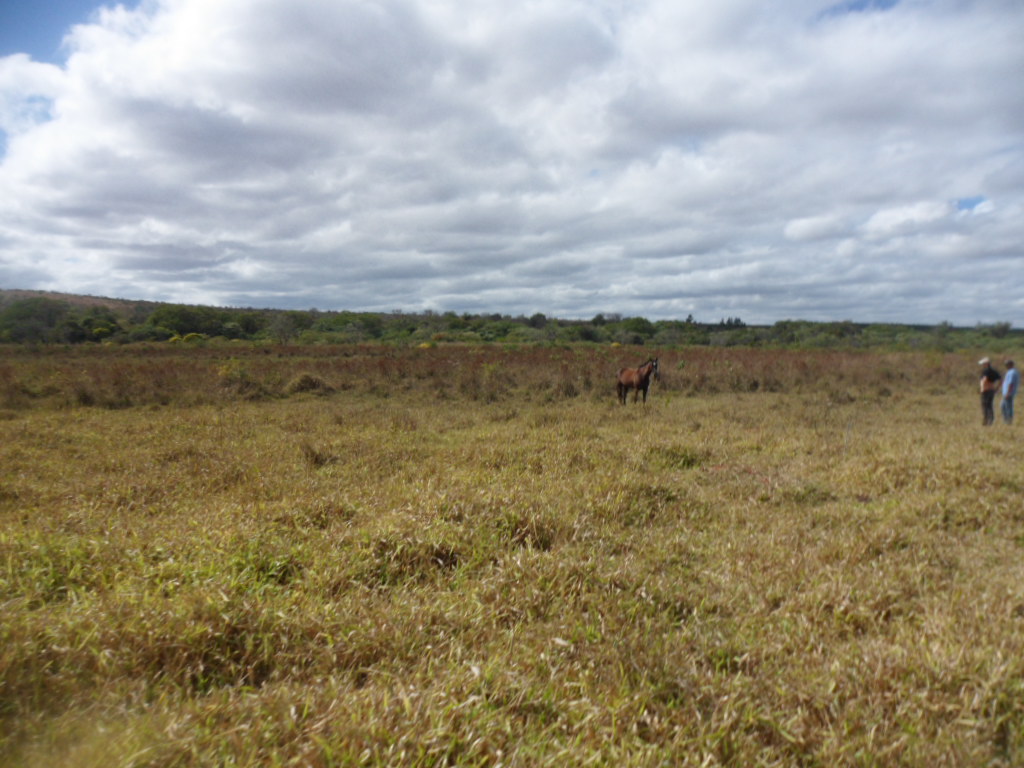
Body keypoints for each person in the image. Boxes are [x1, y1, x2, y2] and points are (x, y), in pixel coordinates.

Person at [979, 358, 1002, 426]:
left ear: (986, 363)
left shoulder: (986, 371)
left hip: (986, 390)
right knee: (990, 405)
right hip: (992, 390)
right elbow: (1001, 379)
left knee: (985, 406)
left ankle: (986, 420)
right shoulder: (994, 371)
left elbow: (985, 379)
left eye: (983, 364)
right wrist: (997, 388)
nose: (982, 365)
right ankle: (990, 420)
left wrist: (982, 387)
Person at [1002, 359, 1019, 425]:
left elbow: (1010, 383)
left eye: (1006, 364)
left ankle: (1009, 422)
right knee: (1003, 406)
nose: (1005, 366)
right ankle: (1006, 420)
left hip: (1009, 393)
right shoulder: (1010, 371)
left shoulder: (1012, 372)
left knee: (1008, 407)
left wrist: (1008, 393)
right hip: (1007, 393)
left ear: (1010, 364)